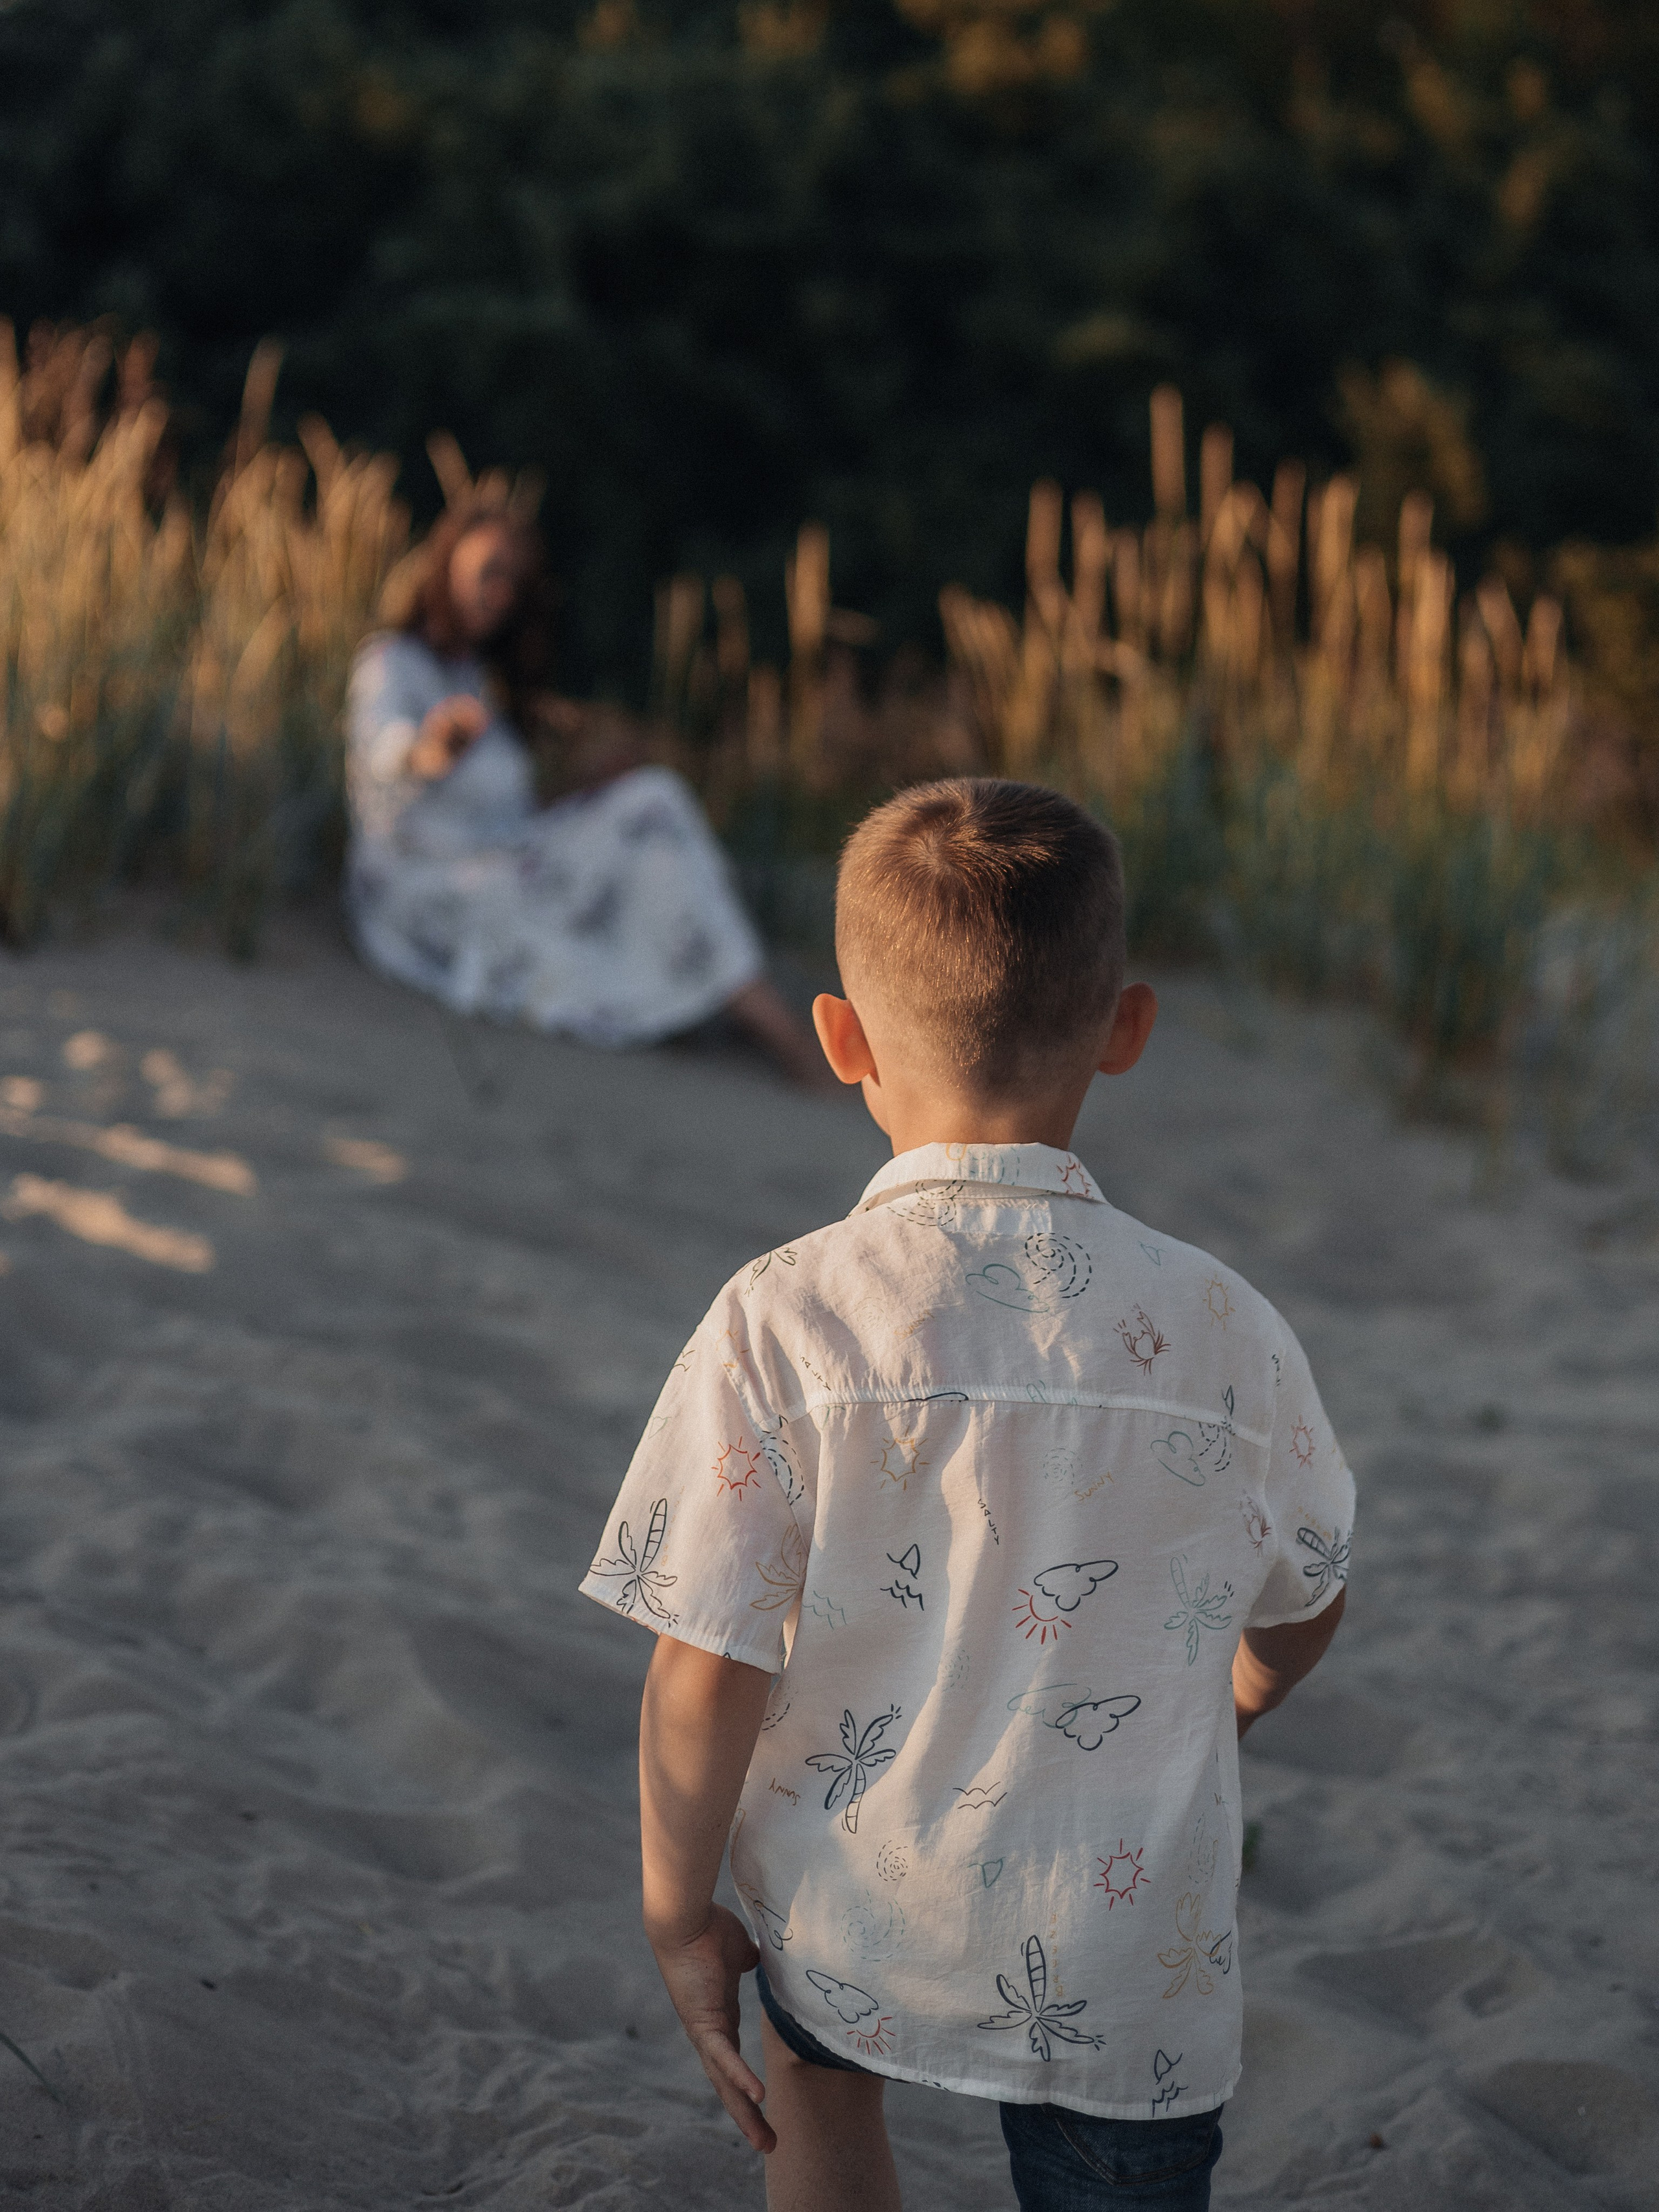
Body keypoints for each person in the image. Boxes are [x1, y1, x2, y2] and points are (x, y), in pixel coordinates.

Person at [580, 778, 1354, 2210]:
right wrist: (1235, 1690)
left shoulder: (780, 1317)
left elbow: (703, 1659)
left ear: (838, 1037)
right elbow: (1306, 1592)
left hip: (855, 1906)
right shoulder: (1225, 1323)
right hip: (1128, 1953)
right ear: (1126, 1027)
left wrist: (674, 1908)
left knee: (817, 2090)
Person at [344, 505, 825, 1080]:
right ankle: (778, 1032)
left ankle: (747, 1010)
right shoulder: (390, 663)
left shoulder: (476, 678)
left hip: (503, 858)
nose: (499, 593)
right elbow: (385, 752)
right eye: (489, 570)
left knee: (650, 799)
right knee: (654, 810)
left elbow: (507, 812)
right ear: (447, 561)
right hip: (430, 888)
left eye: (513, 583)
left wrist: (586, 790)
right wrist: (429, 751)